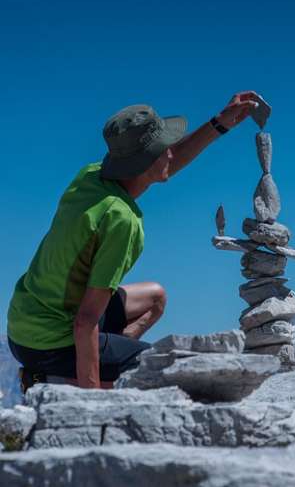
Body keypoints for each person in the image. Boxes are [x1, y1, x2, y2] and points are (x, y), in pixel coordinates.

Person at [7, 91, 260, 391]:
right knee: (158, 366)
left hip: (22, 323)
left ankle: (101, 366)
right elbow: (86, 320)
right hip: (49, 343)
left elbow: (164, 164)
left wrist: (220, 124)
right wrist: (89, 408)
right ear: (143, 162)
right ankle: (68, 381)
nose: (170, 152)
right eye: (162, 148)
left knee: (155, 298)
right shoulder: (122, 221)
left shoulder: (90, 177)